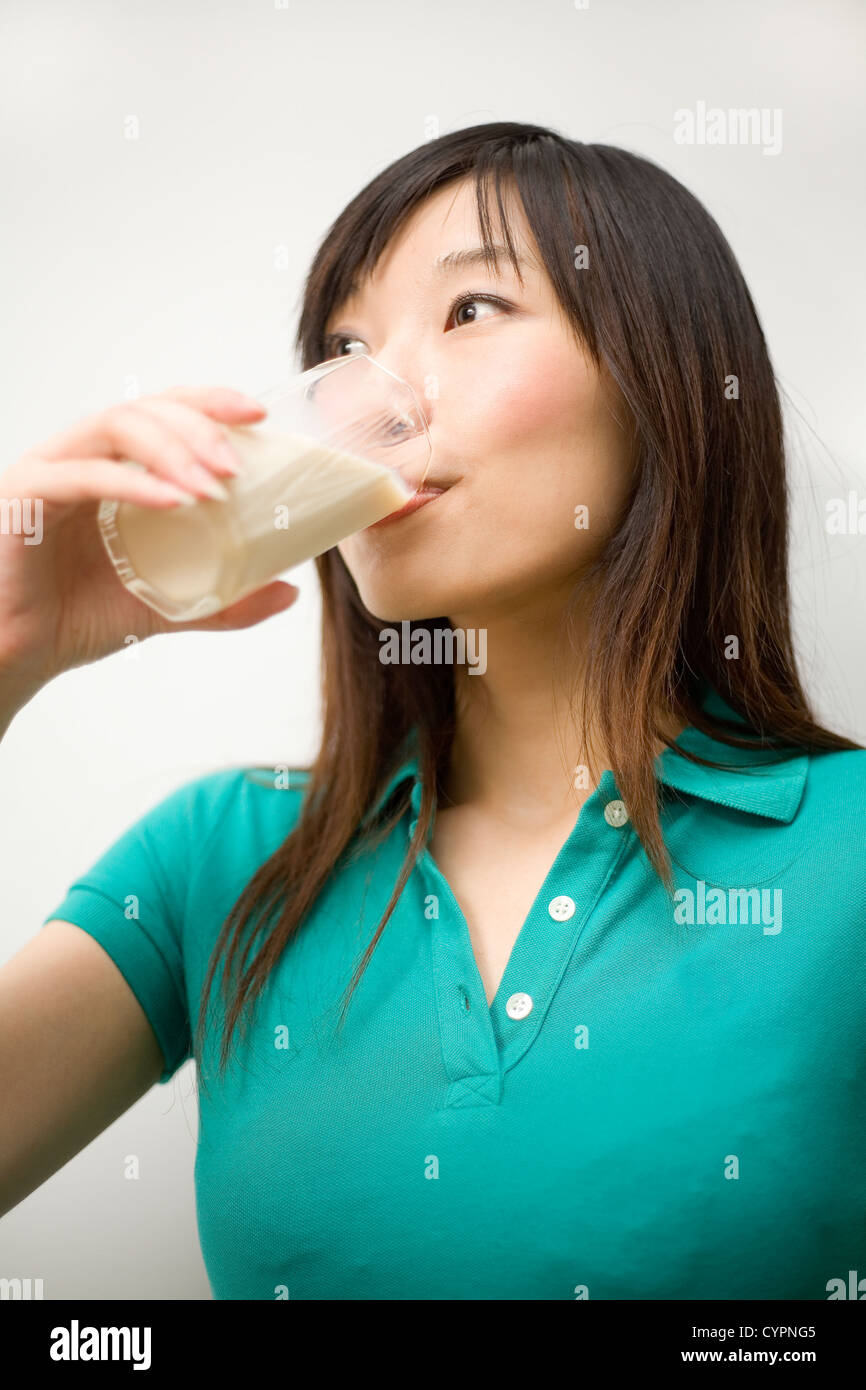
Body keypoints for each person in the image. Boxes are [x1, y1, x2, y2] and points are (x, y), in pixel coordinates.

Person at [1, 122, 863, 1301]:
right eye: (344, 347)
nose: (371, 400)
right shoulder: (224, 860)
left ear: (659, 375)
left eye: (468, 312)